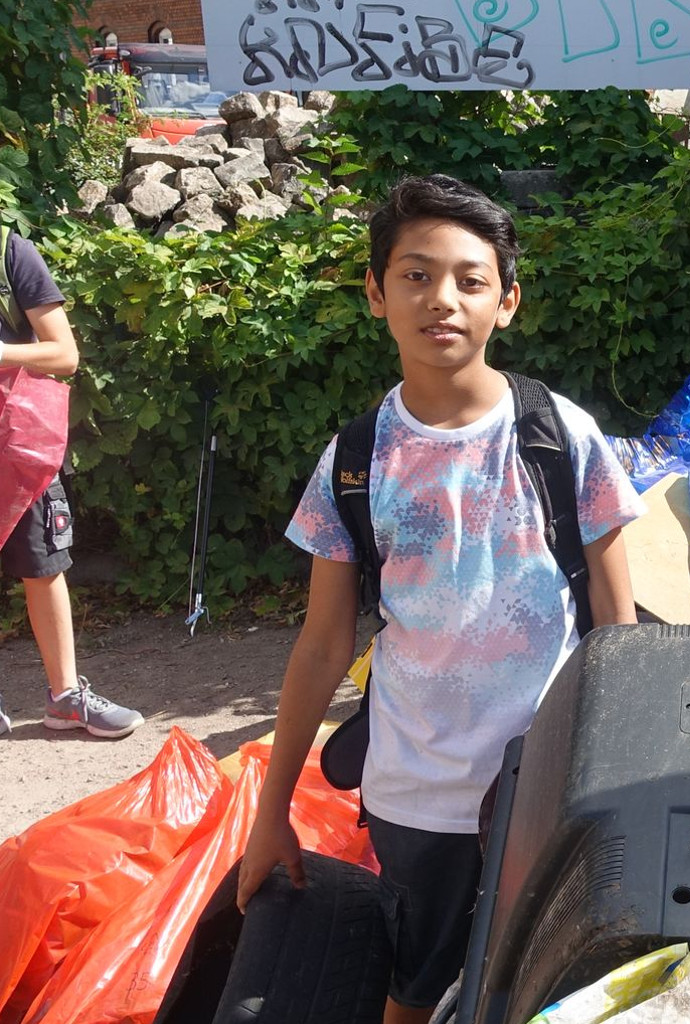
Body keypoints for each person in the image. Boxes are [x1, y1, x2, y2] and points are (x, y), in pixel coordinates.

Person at [235, 175, 645, 1024]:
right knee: (416, 994)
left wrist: (626, 780)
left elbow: (619, 627)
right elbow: (322, 644)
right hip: (417, 796)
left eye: (470, 279)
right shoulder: (355, 461)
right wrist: (270, 814)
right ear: (376, 293)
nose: (442, 299)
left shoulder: (559, 436)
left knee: (548, 990)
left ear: (507, 302)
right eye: (416, 276)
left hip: (553, 788)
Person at [0, 225, 143, 739]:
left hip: (16, 443)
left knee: (43, 564)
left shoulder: (10, 252)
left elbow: (65, 354)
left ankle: (66, 699)